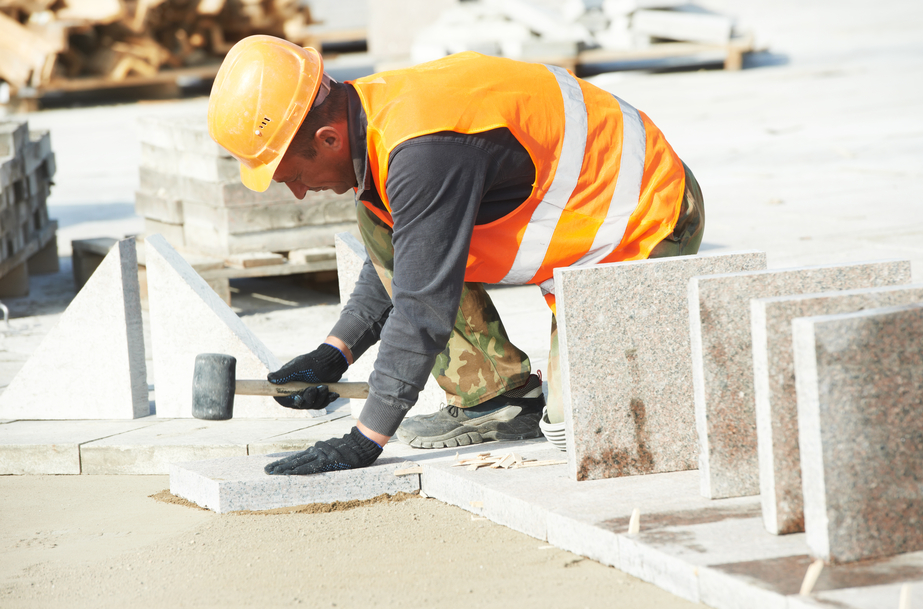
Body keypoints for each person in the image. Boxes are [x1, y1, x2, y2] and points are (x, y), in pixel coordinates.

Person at [206, 35, 705, 476]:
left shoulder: (425, 153)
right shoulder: (373, 118)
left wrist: (364, 439)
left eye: (291, 175)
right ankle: (498, 398)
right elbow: (398, 263)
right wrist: (332, 356)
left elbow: (421, 306)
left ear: (328, 139)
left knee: (583, 428)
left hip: (645, 222)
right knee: (379, 213)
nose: (297, 192)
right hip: (577, 223)